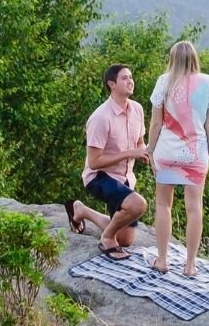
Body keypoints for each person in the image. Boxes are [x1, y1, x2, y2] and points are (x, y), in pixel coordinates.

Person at [145, 40, 209, 278]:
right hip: (196, 152)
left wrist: (149, 148)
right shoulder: (208, 83)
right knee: (194, 208)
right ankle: (190, 265)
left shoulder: (163, 81)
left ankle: (163, 260)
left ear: (172, 58)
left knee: (164, 205)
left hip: (166, 151)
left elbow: (156, 122)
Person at [64, 63, 150, 261]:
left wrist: (147, 154)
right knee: (138, 205)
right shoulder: (101, 118)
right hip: (99, 177)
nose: (131, 81)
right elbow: (94, 162)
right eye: (124, 78)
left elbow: (139, 142)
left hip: (125, 178)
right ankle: (107, 238)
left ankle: (81, 210)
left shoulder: (137, 109)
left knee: (126, 239)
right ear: (112, 84)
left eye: (131, 77)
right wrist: (130, 153)